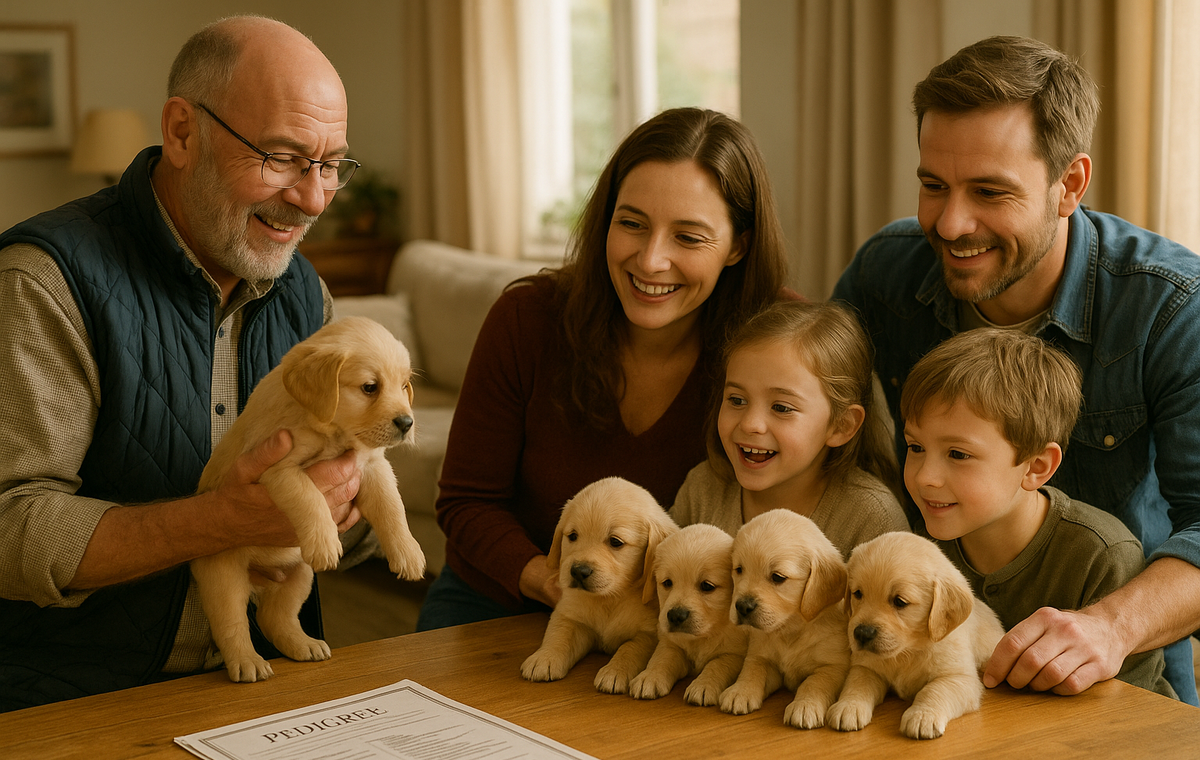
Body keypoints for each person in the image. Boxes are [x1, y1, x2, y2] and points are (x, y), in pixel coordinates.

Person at [0, 16, 366, 711]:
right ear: (181, 132)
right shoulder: (45, 281)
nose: (314, 199)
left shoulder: (305, 292)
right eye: (282, 157)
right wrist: (225, 520)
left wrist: (347, 499)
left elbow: (346, 509)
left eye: (330, 166)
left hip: (270, 684)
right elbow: (9, 526)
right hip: (72, 698)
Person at [833, 35, 1200, 704]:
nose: (951, 224)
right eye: (933, 186)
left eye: (990, 191)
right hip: (910, 666)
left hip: (1110, 679)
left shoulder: (1171, 308)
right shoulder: (885, 273)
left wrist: (1110, 626)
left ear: (1070, 185)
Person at [417, 108, 790, 630]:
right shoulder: (526, 319)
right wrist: (554, 582)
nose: (651, 260)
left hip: (678, 623)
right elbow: (467, 502)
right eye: (631, 224)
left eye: (688, 237)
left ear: (738, 246)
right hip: (501, 600)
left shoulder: (782, 344)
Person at [901, 329, 1174, 698]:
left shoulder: (1102, 556)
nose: (925, 477)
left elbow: (1126, 708)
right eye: (915, 447)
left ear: (1036, 467)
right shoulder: (918, 544)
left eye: (958, 454)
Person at [670, 300, 908, 556]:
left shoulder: (873, 519)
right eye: (737, 400)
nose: (750, 424)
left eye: (781, 408)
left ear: (841, 425)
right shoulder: (703, 490)